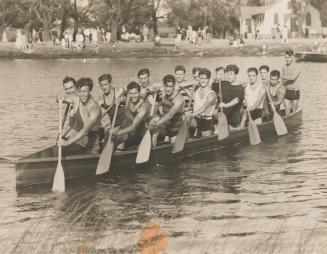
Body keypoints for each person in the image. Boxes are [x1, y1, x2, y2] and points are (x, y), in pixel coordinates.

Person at [61, 77, 101, 154]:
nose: (82, 95)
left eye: (84, 91)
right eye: (79, 91)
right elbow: (63, 98)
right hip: (78, 141)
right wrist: (59, 98)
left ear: (90, 91)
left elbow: (85, 131)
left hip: (90, 146)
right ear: (77, 91)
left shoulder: (94, 108)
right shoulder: (77, 98)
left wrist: (67, 142)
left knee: (66, 148)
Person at [110, 82, 149, 149]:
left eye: (135, 93)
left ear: (139, 93)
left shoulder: (143, 107)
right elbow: (118, 93)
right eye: (131, 93)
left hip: (139, 136)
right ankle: (117, 153)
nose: (133, 96)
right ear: (128, 94)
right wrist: (118, 99)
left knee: (120, 136)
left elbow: (133, 127)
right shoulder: (127, 100)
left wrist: (118, 132)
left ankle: (119, 153)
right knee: (109, 134)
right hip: (128, 133)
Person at [149, 75, 184, 144]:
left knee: (173, 143)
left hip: (176, 131)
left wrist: (156, 124)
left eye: (170, 86)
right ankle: (153, 151)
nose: (168, 89)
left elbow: (169, 115)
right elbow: (152, 87)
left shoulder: (179, 99)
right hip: (166, 127)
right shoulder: (164, 93)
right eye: (166, 86)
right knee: (154, 132)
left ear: (174, 86)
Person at [97, 74, 126, 147]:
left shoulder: (119, 92)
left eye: (106, 84)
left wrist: (122, 100)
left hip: (124, 124)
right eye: (102, 85)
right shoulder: (101, 99)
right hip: (113, 126)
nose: (104, 87)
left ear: (110, 83)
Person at [189, 68, 217, 137]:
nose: (203, 80)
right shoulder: (197, 91)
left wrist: (192, 114)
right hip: (196, 120)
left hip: (206, 122)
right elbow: (195, 105)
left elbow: (203, 108)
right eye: (201, 78)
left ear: (208, 79)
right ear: (198, 78)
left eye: (205, 78)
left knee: (205, 144)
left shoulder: (211, 94)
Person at [218, 64, 244, 129]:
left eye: (231, 74)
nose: (229, 76)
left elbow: (237, 100)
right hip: (222, 117)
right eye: (228, 74)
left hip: (234, 119)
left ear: (236, 75)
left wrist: (226, 105)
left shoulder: (240, 88)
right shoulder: (223, 84)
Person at [282, 49, 301, 114]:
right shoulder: (284, 66)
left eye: (289, 57)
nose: (287, 59)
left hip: (294, 92)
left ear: (292, 57)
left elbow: (293, 77)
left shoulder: (297, 66)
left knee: (294, 112)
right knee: (286, 110)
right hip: (286, 91)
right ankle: (286, 123)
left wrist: (281, 76)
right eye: (286, 57)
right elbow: (283, 81)